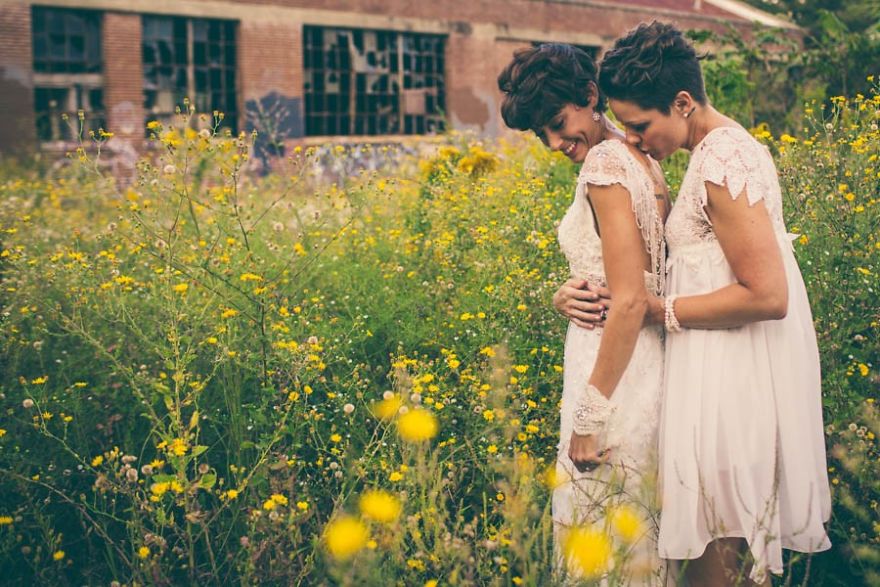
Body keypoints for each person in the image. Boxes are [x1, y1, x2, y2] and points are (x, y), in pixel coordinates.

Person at [583, 21, 831, 586]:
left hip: (732, 381)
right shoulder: (719, 150)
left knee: (718, 549)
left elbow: (768, 295)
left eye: (641, 125)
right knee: (721, 547)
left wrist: (657, 309)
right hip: (722, 368)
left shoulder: (723, 159)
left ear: (683, 102)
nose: (637, 140)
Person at [498, 43, 671, 585]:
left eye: (557, 122)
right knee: (636, 527)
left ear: (590, 95)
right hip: (642, 362)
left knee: (602, 536)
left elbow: (628, 299)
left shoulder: (603, 165)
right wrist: (564, 294)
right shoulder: (640, 155)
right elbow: (632, 275)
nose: (553, 143)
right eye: (539, 134)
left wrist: (587, 421)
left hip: (610, 370)